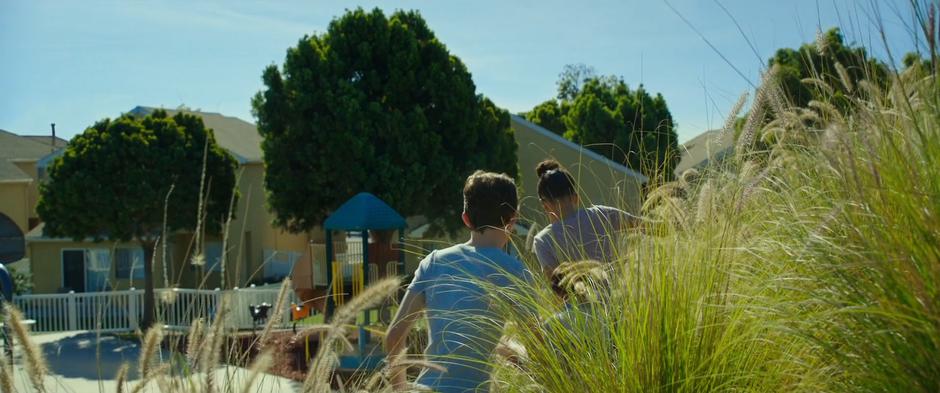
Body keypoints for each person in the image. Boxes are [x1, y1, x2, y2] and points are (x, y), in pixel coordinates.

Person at [385, 170, 532, 393]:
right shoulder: (515, 272)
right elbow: (538, 343)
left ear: (465, 218)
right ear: (513, 219)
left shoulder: (433, 263)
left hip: (426, 388)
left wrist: (399, 388)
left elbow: (394, 336)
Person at [531, 159, 637, 280]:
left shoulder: (543, 241)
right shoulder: (601, 214)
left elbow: (558, 291)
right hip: (619, 297)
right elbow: (649, 226)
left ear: (544, 205)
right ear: (576, 197)